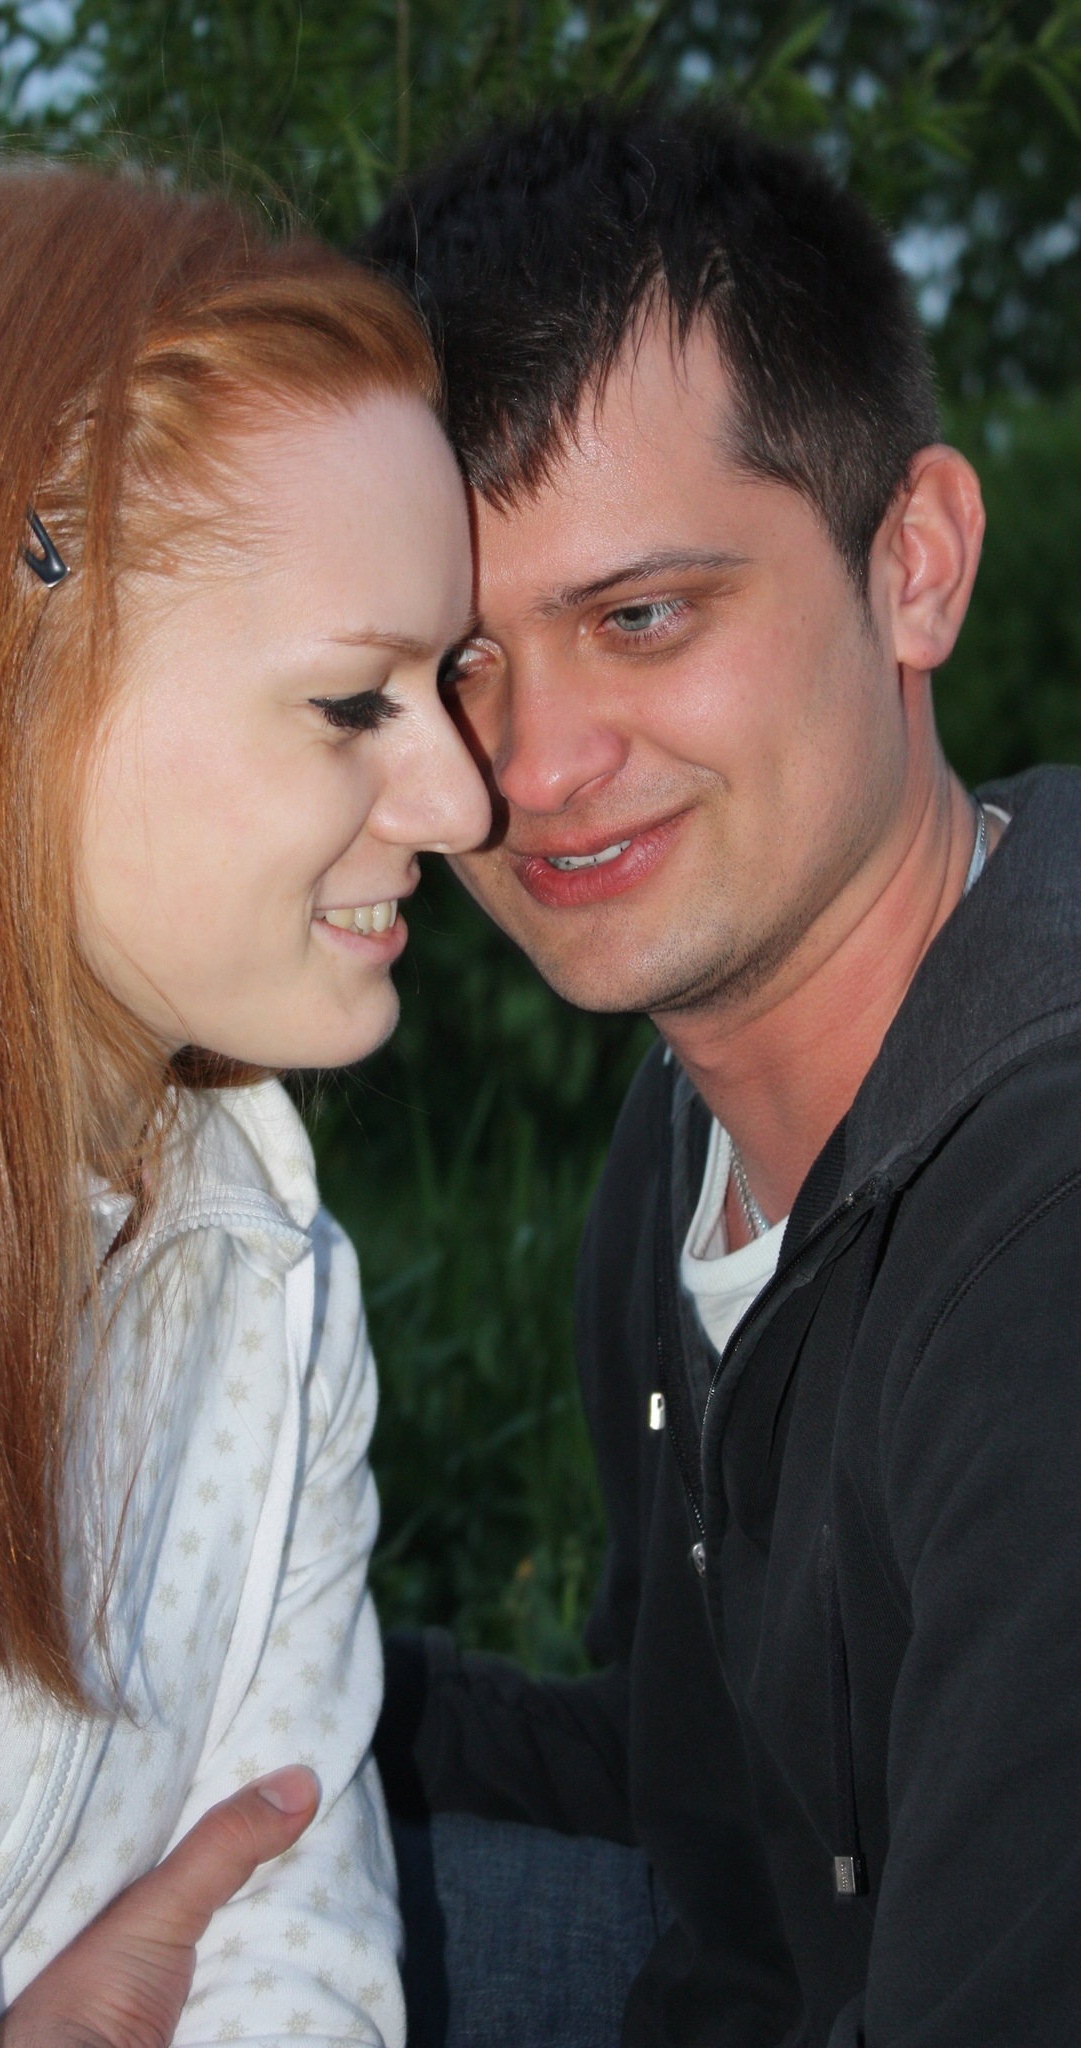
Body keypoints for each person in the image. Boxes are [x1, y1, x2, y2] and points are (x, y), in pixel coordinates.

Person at [0, 163, 490, 2045]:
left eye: (446, 684)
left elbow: (290, 1912)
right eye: (351, 704)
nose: (463, 803)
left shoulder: (271, 1272)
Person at [361, 103, 1081, 2046]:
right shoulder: (687, 1134)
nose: (529, 767)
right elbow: (706, 1802)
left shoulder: (1039, 1243)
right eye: (455, 663)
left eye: (639, 616)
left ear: (912, 564)